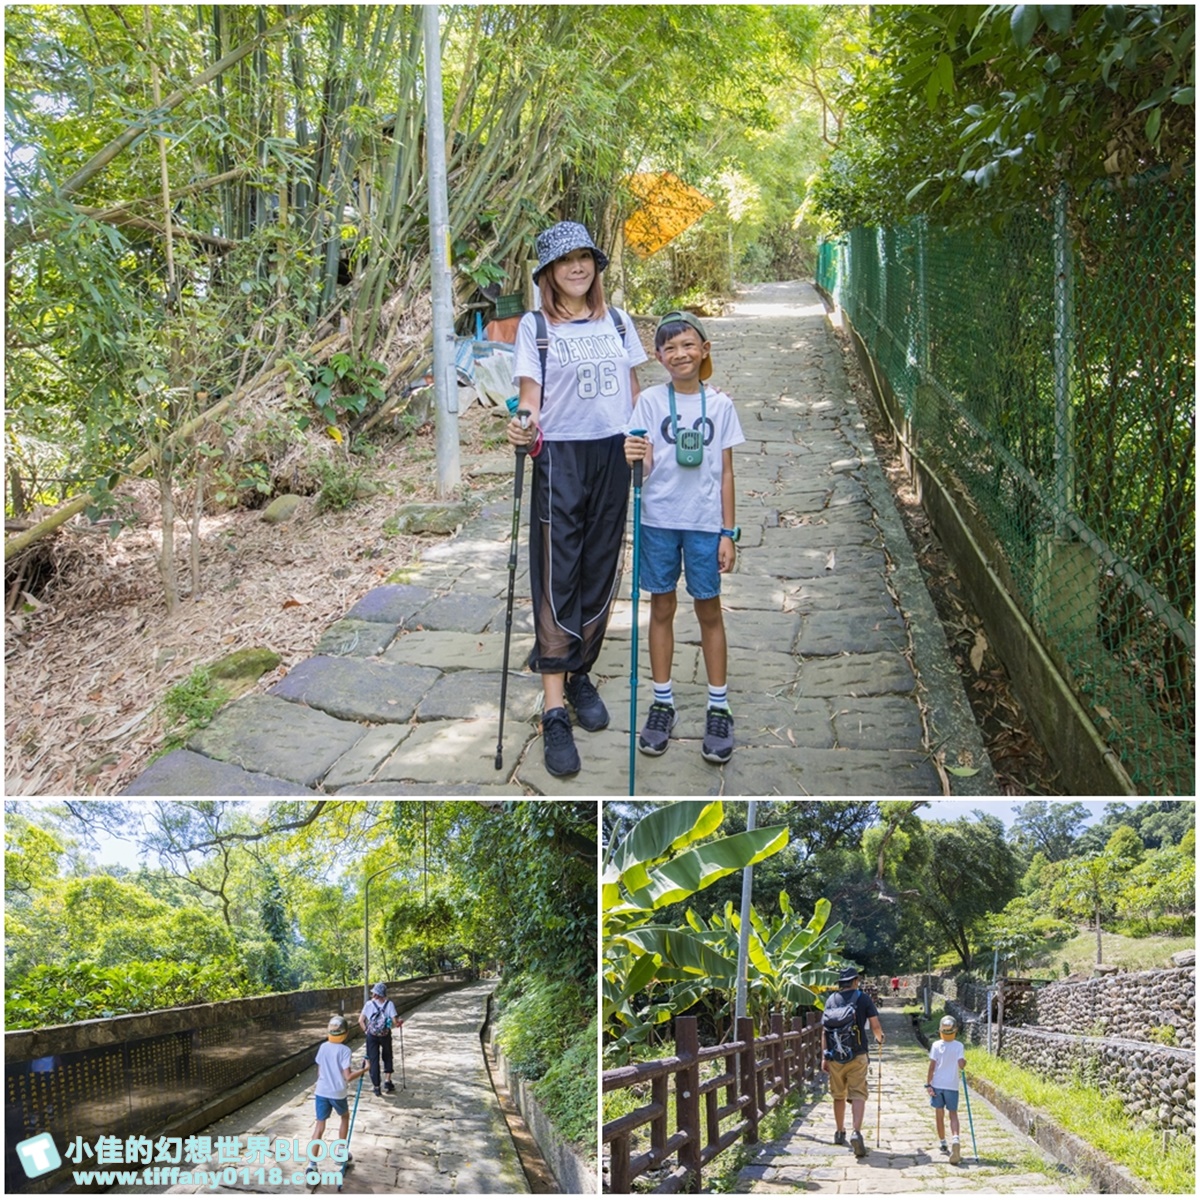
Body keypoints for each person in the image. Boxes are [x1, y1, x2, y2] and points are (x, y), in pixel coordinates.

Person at [507, 220, 648, 777]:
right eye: (566, 261)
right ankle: (553, 706)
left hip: (613, 454)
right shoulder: (534, 325)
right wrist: (522, 428)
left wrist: (644, 441)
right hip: (560, 457)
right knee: (555, 572)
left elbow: (633, 392)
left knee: (599, 567)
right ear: (547, 272)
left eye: (585, 257)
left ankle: (580, 670)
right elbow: (529, 401)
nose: (577, 267)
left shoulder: (618, 321)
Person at [624, 310, 744, 763]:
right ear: (658, 356)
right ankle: (662, 701)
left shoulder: (721, 405)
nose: (680, 354)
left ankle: (719, 706)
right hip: (658, 519)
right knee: (661, 607)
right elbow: (646, 466)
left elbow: (727, 471)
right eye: (670, 348)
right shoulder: (651, 403)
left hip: (703, 523)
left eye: (688, 345)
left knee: (708, 609)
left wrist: (727, 532)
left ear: (705, 349)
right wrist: (634, 454)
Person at [820, 966, 884, 1157]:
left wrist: (824, 1056)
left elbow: (824, 1030)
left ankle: (840, 1132)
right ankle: (856, 1131)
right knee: (858, 1093)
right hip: (858, 1054)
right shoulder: (862, 998)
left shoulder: (831, 1000)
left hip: (835, 1055)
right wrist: (880, 1038)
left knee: (838, 1095)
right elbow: (875, 1026)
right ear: (855, 981)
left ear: (841, 983)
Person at [307, 1014, 369, 1178]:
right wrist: (364, 1070)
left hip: (321, 1091)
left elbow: (320, 1071)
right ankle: (341, 1151)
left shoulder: (323, 1047)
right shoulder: (345, 1050)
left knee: (319, 1127)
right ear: (346, 1033)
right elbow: (347, 1076)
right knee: (344, 1116)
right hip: (337, 1093)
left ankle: (312, 1164)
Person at [926, 1014, 968, 1162]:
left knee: (939, 1113)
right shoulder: (959, 1046)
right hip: (952, 1085)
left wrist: (928, 1083)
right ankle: (955, 1138)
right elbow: (961, 1064)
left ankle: (943, 1142)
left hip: (937, 1084)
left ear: (940, 1031)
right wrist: (964, 1063)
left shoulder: (936, 1045)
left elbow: (932, 1067)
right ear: (955, 1030)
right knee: (953, 1114)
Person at [358, 982, 401, 1096]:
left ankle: (376, 1086)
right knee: (387, 1055)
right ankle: (387, 1080)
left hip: (372, 1035)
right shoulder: (389, 1004)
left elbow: (360, 1021)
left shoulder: (368, 1004)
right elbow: (395, 1022)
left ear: (375, 994)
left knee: (373, 1060)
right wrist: (399, 1022)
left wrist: (367, 1031)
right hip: (385, 1035)